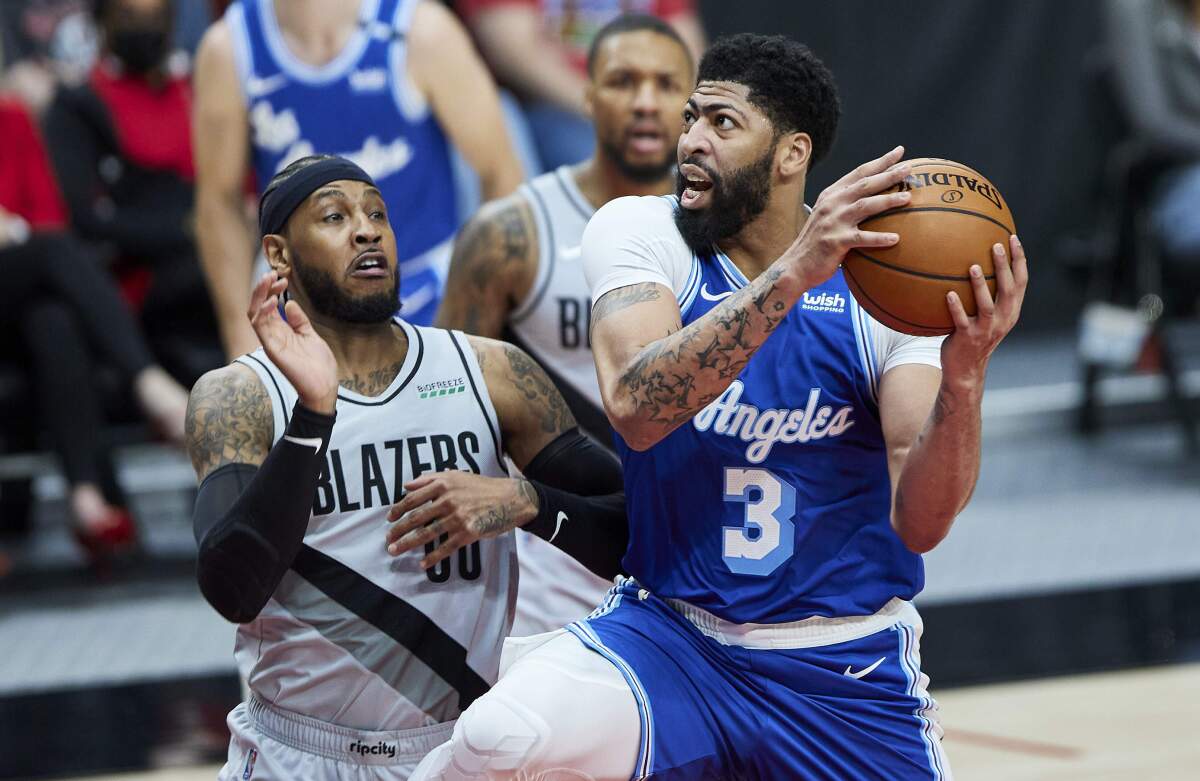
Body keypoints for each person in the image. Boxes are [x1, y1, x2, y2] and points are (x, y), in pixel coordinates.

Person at [410, 33, 1028, 781]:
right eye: (692, 117)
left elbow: (922, 521)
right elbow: (639, 406)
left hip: (842, 666)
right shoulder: (643, 231)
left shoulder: (884, 292)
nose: (692, 140)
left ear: (792, 154)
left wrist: (964, 381)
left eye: (723, 124)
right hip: (673, 639)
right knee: (497, 738)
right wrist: (796, 273)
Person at [186, 154, 628, 780]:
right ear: (279, 257)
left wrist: (530, 502)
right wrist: (313, 417)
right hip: (299, 754)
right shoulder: (239, 396)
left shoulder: (492, 373)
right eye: (335, 216)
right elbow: (232, 588)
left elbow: (634, 533)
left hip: (459, 747)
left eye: (377, 214)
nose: (366, 230)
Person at [437, 13, 692, 636]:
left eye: (666, 85)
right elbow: (446, 399)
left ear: (693, 105)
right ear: (586, 92)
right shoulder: (512, 235)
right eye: (623, 81)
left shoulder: (728, 232)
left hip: (694, 544)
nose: (645, 103)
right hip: (555, 557)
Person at [194, 0, 524, 359]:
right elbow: (218, 205)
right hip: (301, 314)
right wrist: (242, 343)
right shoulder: (229, 49)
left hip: (426, 301)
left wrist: (476, 321)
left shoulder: (422, 32)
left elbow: (502, 173)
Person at [0, 95, 189, 564]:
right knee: (53, 256)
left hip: (16, 283)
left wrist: (12, 230)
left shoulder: (12, 116)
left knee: (54, 318)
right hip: (27, 264)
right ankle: (153, 387)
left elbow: (48, 216)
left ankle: (87, 500)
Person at [43, 0, 222, 384]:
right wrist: (187, 228)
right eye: (129, 16)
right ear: (101, 21)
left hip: (207, 258)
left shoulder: (196, 92)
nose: (146, 29)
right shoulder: (78, 104)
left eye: (157, 18)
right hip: (134, 280)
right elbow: (88, 220)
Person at [456, 0, 705, 173]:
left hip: (647, 103)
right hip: (547, 107)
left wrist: (688, 109)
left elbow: (684, 42)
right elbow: (512, 49)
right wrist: (603, 105)